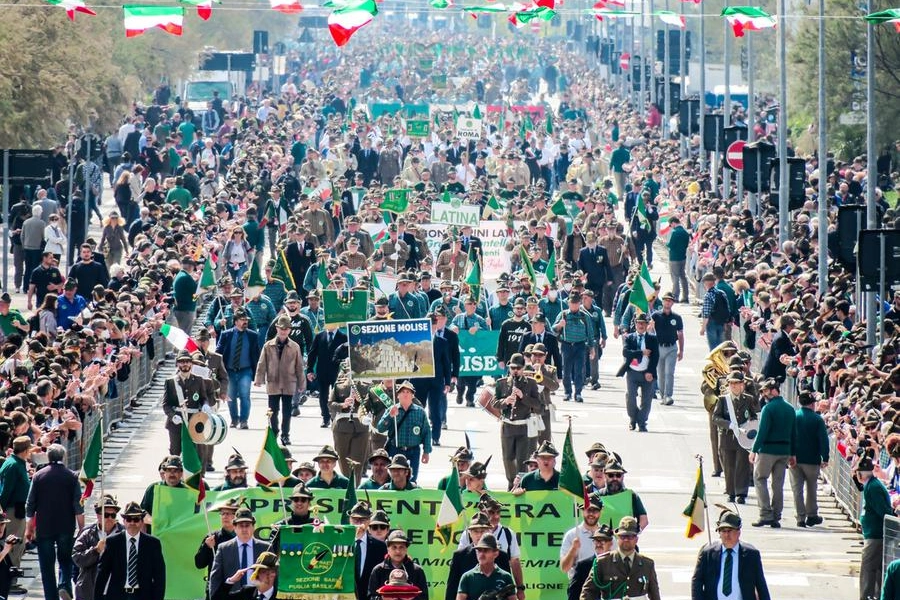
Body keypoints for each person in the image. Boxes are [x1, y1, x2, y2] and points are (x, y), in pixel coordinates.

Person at [24, 443, 84, 600]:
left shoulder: (38, 476)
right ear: (63, 457)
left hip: (45, 526)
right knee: (65, 559)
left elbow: (31, 503)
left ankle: (51, 597)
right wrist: (82, 528)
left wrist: (29, 527)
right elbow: (77, 504)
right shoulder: (71, 476)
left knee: (46, 564)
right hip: (66, 525)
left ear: (48, 457)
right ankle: (64, 585)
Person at [690, 508, 770, 600]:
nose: (726, 535)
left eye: (730, 530)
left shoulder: (751, 555)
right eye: (723, 531)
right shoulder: (708, 553)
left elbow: (761, 584)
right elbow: (697, 581)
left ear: (738, 532)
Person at [95, 501, 166, 600]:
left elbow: (160, 576)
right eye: (129, 519)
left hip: (143, 596)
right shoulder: (113, 542)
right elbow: (102, 573)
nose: (132, 523)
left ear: (141, 522)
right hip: (117, 596)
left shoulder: (153, 544)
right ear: (124, 521)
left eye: (136, 519)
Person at [750, 378, 797, 528]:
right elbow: (793, 434)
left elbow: (762, 431)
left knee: (760, 478)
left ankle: (765, 513)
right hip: (784, 451)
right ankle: (776, 516)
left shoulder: (768, 409)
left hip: (768, 450)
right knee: (778, 485)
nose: (763, 394)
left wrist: (754, 449)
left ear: (773, 390)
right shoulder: (790, 409)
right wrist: (793, 453)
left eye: (765, 391)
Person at [579, 516, 660, 600]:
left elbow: (655, 595)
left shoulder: (647, 564)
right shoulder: (603, 563)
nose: (626, 540)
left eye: (630, 536)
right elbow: (588, 592)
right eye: (623, 536)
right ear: (617, 538)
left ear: (636, 539)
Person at [255, 314, 305, 445]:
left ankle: (285, 434)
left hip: (289, 382)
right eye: (281, 328)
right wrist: (258, 379)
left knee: (287, 411)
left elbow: (299, 366)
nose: (283, 331)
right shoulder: (268, 345)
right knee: (273, 410)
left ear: (289, 330)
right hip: (273, 381)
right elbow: (262, 363)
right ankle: (275, 431)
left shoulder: (295, 347)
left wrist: (302, 383)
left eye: (286, 329)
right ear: (277, 328)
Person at [493, 353, 541, 489]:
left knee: (522, 459)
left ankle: (520, 485)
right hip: (507, 426)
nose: (515, 370)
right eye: (513, 368)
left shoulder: (530, 383)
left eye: (518, 368)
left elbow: (538, 403)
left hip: (523, 426)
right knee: (508, 459)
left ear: (523, 368)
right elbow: (494, 402)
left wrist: (523, 396)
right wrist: (505, 401)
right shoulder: (501, 383)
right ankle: (511, 483)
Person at [713, 371, 756, 504]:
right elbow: (716, 418)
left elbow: (753, 416)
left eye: (736, 383)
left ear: (742, 384)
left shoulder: (748, 399)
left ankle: (741, 493)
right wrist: (730, 425)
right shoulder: (723, 399)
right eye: (731, 383)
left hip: (742, 438)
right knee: (729, 465)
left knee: (743, 465)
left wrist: (749, 426)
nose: (734, 386)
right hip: (727, 436)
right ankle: (731, 492)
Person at [163, 350, 213, 463]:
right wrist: (172, 416)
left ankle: (196, 478)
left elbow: (203, 397)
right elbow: (166, 404)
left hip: (194, 422)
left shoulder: (199, 380)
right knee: (175, 453)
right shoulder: (170, 382)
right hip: (177, 422)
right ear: (177, 364)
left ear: (191, 364)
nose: (185, 364)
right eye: (182, 362)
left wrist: (205, 405)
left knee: (195, 452)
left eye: (187, 361)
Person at [447, 513, 512, 600]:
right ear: (469, 533)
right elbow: (452, 589)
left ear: (490, 531)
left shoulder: (501, 555)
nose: (479, 535)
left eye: (482, 531)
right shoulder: (460, 556)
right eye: (475, 531)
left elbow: (508, 591)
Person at [208, 507, 268, 600]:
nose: (244, 529)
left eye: (247, 525)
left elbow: (274, 578)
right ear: (235, 527)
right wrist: (230, 580)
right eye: (241, 525)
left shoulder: (265, 548)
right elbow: (215, 580)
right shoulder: (223, 548)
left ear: (253, 527)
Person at [376, 381, 432, 481]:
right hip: (396, 450)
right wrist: (389, 416)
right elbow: (380, 428)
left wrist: (426, 451)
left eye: (408, 392)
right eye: (402, 392)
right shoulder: (392, 409)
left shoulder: (420, 412)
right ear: (398, 395)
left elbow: (426, 433)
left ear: (412, 395)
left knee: (412, 479)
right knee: (395, 479)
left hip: (413, 451)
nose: (405, 394)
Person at [857, 452, 894, 600]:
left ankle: (866, 596)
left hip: (876, 535)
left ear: (861, 474)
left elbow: (883, 511)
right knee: (876, 569)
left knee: (868, 568)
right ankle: (876, 596)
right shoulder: (871, 485)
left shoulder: (874, 487)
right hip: (874, 533)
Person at [73, 494, 125, 600]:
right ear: (98, 515)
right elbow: (77, 558)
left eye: (113, 515)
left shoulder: (123, 534)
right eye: (106, 515)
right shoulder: (87, 534)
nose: (110, 518)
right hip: (91, 592)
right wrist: (95, 550)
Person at [216, 308, 261, 429]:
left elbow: (257, 355)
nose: (245, 322)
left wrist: (258, 374)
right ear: (235, 321)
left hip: (245, 370)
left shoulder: (253, 336)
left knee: (245, 395)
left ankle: (244, 420)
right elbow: (218, 352)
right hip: (229, 371)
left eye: (246, 320)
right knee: (230, 396)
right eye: (242, 320)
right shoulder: (226, 335)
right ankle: (234, 419)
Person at [791, 392, 829, 527]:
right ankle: (812, 515)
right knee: (811, 488)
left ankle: (800, 517)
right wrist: (825, 457)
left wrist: (789, 454)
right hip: (812, 459)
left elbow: (789, 437)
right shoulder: (817, 419)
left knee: (797, 489)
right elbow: (823, 440)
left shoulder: (794, 416)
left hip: (795, 458)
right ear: (813, 404)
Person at [617, 313, 659, 431]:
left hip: (647, 373)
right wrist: (641, 353)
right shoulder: (629, 338)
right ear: (635, 324)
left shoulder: (652, 339)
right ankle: (633, 419)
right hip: (633, 372)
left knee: (647, 399)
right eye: (638, 323)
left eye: (643, 323)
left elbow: (655, 357)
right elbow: (626, 352)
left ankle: (642, 422)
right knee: (630, 396)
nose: (640, 325)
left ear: (647, 325)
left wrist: (650, 372)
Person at [553, 293, 596, 402]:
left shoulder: (584, 316)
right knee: (566, 370)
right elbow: (553, 329)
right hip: (567, 345)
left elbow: (590, 333)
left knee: (579, 371)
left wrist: (592, 348)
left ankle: (578, 393)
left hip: (580, 346)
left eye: (576, 303)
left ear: (579, 303)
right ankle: (567, 392)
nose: (574, 305)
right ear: (568, 303)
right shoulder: (563, 315)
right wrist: (559, 325)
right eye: (572, 303)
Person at [194, 498, 239, 596]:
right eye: (222, 514)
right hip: (216, 588)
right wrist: (206, 547)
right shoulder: (212, 537)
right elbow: (199, 564)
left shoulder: (243, 537)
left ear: (236, 516)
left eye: (228, 513)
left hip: (238, 588)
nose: (224, 517)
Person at [0, 436, 32, 572]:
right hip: (12, 510)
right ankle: (10, 575)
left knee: (18, 542)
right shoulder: (13, 465)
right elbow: (6, 490)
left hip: (16, 508)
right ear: (25, 450)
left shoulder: (16, 462)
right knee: (14, 541)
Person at [307, 326, 349, 428]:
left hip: (338, 372)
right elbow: (312, 353)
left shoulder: (343, 337)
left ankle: (336, 417)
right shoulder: (319, 336)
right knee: (323, 395)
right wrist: (310, 370)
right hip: (322, 371)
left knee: (338, 395)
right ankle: (325, 417)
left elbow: (349, 354)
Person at [367, 530, 428, 600]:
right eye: (394, 547)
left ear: (406, 549)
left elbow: (424, 597)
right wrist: (383, 599)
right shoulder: (378, 570)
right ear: (388, 549)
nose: (398, 551)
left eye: (401, 547)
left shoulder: (417, 570)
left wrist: (411, 599)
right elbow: (371, 597)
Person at [455, 533, 516, 600]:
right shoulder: (467, 577)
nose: (481, 554)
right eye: (479, 550)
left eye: (486, 550)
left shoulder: (506, 577)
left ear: (496, 553)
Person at [348, 501, 387, 600]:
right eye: (355, 519)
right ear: (350, 520)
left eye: (363, 519)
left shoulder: (381, 547)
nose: (359, 523)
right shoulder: (341, 543)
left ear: (369, 521)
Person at [650, 291, 684, 405]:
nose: (667, 302)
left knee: (669, 372)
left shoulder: (677, 317)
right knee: (660, 373)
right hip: (659, 347)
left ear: (672, 303)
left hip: (671, 348)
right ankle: (663, 394)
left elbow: (680, 334)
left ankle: (668, 395)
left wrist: (681, 350)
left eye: (670, 301)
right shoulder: (656, 315)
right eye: (665, 300)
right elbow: (650, 331)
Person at [559, 493, 604, 576]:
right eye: (588, 510)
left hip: (601, 586)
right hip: (578, 586)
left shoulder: (608, 536)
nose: (591, 514)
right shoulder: (572, 535)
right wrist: (573, 549)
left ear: (601, 511)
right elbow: (564, 568)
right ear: (582, 511)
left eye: (595, 510)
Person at [567, 524, 614, 600]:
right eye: (596, 540)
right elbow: (573, 595)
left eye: (602, 540)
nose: (598, 544)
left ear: (611, 543)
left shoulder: (619, 564)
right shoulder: (582, 566)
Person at [666, 216, 690, 302]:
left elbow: (670, 245)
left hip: (674, 257)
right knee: (683, 277)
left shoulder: (675, 232)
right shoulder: (685, 232)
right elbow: (686, 245)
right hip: (682, 257)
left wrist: (667, 244)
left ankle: (675, 296)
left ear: (673, 223)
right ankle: (685, 296)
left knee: (675, 277)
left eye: (670, 224)